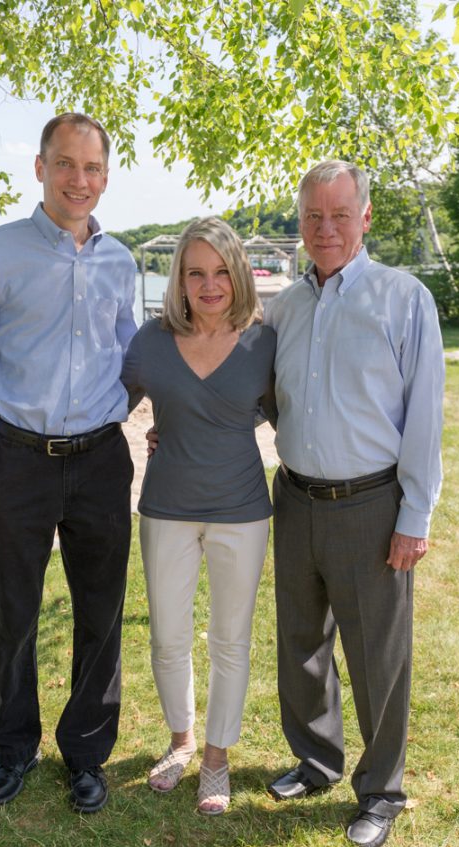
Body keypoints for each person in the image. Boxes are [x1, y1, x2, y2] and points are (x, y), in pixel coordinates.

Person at [0, 113, 137, 814]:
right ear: (40, 168)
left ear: (106, 176)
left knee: (100, 615)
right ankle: (13, 750)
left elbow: (131, 355)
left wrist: (133, 415)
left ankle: (86, 754)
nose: (78, 180)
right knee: (14, 615)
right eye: (66, 164)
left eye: (92, 168)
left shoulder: (121, 261)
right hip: (16, 464)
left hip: (99, 462)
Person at [264, 160, 444, 847]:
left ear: (365, 218)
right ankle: (316, 761)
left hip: (372, 503)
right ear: (301, 222)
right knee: (301, 643)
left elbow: (424, 416)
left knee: (378, 657)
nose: (326, 229)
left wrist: (414, 517)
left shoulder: (404, 299)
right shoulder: (285, 306)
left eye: (340, 215)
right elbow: (253, 392)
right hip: (296, 498)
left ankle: (383, 790)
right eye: (314, 217)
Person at [121, 217, 276, 814]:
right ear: (179, 281)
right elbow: (105, 405)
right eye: (196, 273)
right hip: (167, 509)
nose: (210, 285)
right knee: (168, 637)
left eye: (220, 272)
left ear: (237, 275)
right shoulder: (150, 341)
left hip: (242, 510)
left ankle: (216, 756)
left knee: (230, 639)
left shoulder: (265, 341)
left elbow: (276, 408)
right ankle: (180, 741)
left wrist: (219, 426)